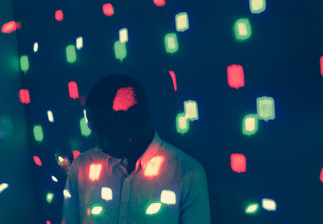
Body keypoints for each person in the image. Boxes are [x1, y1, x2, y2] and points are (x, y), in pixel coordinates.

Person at [61, 74, 211, 224]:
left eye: (111, 132)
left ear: (137, 118)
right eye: (97, 132)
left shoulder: (187, 173)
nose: (103, 145)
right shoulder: (81, 168)